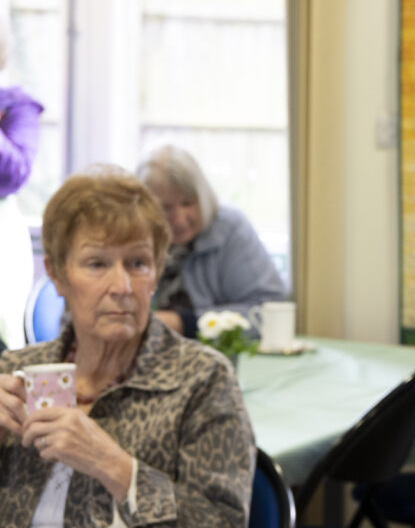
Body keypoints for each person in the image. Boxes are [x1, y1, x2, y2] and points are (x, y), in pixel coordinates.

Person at [0, 166, 255, 525]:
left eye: (138, 263)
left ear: (156, 272)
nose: (122, 286)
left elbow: (223, 521)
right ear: (56, 274)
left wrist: (116, 468)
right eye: (96, 264)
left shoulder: (202, 381)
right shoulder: (16, 374)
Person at [136, 144, 289, 339]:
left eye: (187, 203)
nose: (180, 219)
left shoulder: (230, 229)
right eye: (166, 207)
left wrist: (186, 323)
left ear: (204, 197)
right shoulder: (132, 237)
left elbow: (269, 311)